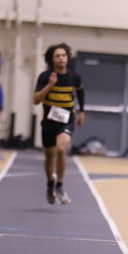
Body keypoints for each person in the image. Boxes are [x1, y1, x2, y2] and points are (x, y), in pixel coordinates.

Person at [34, 43, 85, 205]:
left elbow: (80, 91)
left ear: (67, 58)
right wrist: (50, 85)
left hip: (66, 120)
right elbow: (36, 100)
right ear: (52, 59)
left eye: (63, 55)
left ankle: (60, 185)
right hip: (49, 122)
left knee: (61, 149)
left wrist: (82, 111)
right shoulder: (45, 77)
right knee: (50, 157)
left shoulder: (74, 77)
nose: (61, 58)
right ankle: (50, 184)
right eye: (57, 56)